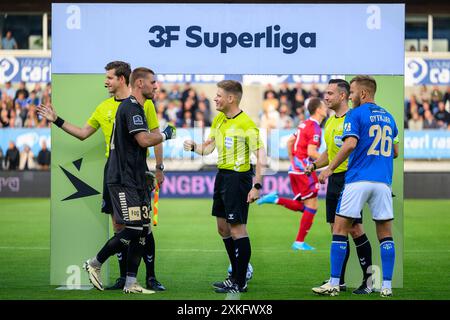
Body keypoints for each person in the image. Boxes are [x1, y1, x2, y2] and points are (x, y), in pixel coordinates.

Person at [36, 61, 166, 291]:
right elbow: (84, 133)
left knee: (143, 225)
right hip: (116, 170)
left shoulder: (143, 105)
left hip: (137, 169)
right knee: (121, 225)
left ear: (123, 79)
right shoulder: (105, 107)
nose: (105, 81)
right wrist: (57, 119)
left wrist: (159, 167)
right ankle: (125, 278)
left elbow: (153, 135)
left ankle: (150, 277)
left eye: (109, 77)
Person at [83, 67, 176, 294]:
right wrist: (166, 134)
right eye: (153, 82)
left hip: (135, 177)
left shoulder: (138, 107)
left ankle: (131, 282)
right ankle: (94, 263)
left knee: (143, 229)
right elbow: (144, 140)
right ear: (140, 83)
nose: (156, 86)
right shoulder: (132, 107)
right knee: (133, 229)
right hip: (123, 179)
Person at [312, 75, 399, 298]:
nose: (350, 97)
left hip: (358, 180)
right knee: (385, 235)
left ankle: (334, 283)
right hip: (382, 182)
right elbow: (395, 152)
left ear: (362, 94)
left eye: (351, 93)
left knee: (340, 230)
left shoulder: (355, 114)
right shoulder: (389, 117)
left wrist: (330, 168)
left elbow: (350, 144)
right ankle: (386, 285)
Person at [183, 80, 266, 294]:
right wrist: (194, 147)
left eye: (219, 95)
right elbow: (208, 149)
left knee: (237, 229)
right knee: (222, 228)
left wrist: (256, 185)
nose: (215, 99)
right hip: (222, 176)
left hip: (238, 179)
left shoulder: (246, 123)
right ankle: (238, 273)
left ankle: (240, 279)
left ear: (231, 98)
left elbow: (262, 155)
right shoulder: (219, 119)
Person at [305, 79, 374, 294]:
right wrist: (315, 165)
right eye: (325, 93)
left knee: (354, 228)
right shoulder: (330, 122)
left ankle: (368, 281)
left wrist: (330, 169)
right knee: (336, 229)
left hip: (350, 178)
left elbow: (351, 147)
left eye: (330, 93)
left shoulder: (353, 119)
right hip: (334, 179)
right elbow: (329, 153)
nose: (325, 97)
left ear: (343, 95)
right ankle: (339, 280)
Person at [257, 98, 327, 251]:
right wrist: (332, 161)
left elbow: (290, 141)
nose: (326, 108)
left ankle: (274, 199)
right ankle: (299, 242)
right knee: (312, 205)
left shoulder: (303, 124)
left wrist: (293, 161)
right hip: (304, 170)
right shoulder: (314, 127)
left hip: (295, 168)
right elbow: (311, 152)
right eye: (324, 106)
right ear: (319, 110)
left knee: (305, 207)